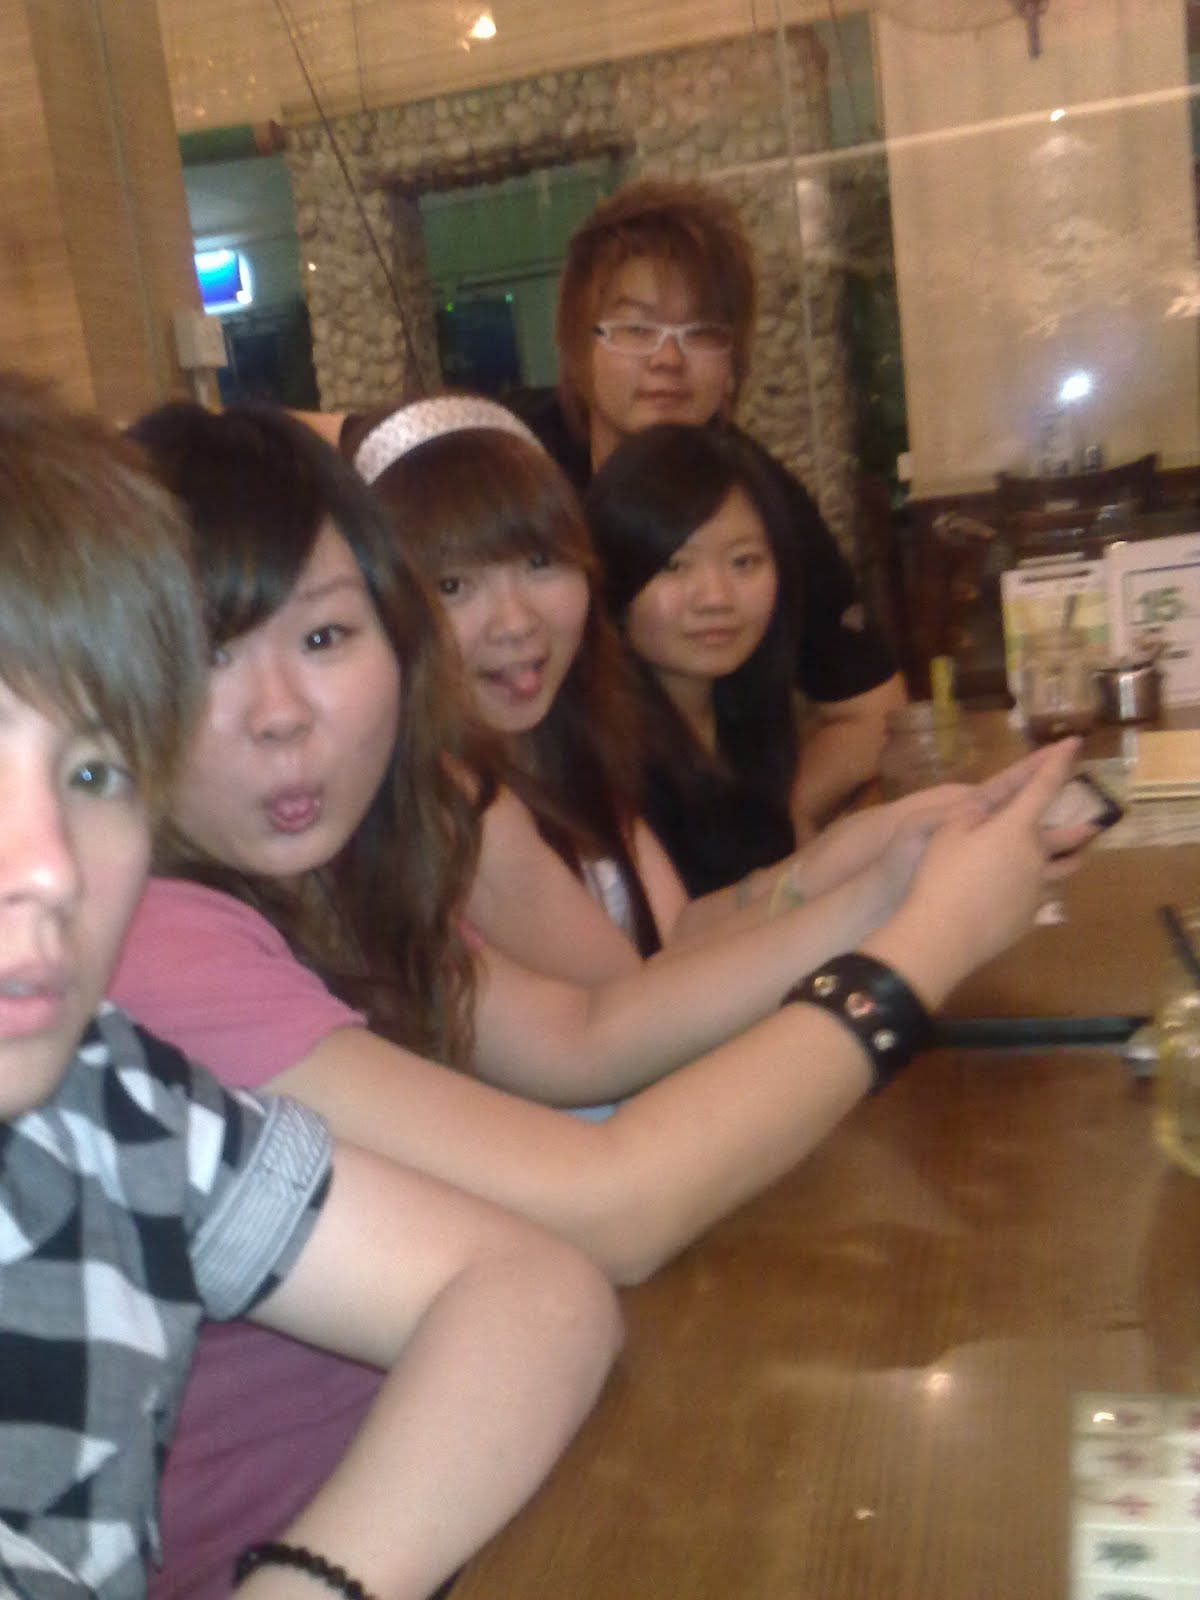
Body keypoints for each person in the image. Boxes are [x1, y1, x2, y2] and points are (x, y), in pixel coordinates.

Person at [114, 397, 1085, 1594]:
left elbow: (588, 1030)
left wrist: (882, 889)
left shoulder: (343, 872)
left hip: (496, 1474)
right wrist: (924, 947)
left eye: (322, 637)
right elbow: (611, 1207)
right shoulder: (153, 943)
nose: (281, 715)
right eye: (206, 654)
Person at [0, 372, 621, 1600]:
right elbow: (614, 1186)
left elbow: (540, 1293)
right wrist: (884, 976)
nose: (51, 867)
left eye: (96, 770)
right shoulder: (170, 965)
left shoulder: (109, 1101)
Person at [508, 176, 908, 836]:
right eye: (636, 328)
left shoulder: (756, 498)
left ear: (732, 363)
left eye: (700, 332)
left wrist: (779, 822)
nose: (668, 359)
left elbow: (874, 711)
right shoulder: (513, 464)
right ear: (577, 348)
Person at [585, 421, 808, 897]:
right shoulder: (606, 760)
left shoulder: (743, 710)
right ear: (611, 576)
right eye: (674, 566)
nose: (716, 598)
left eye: (743, 562)